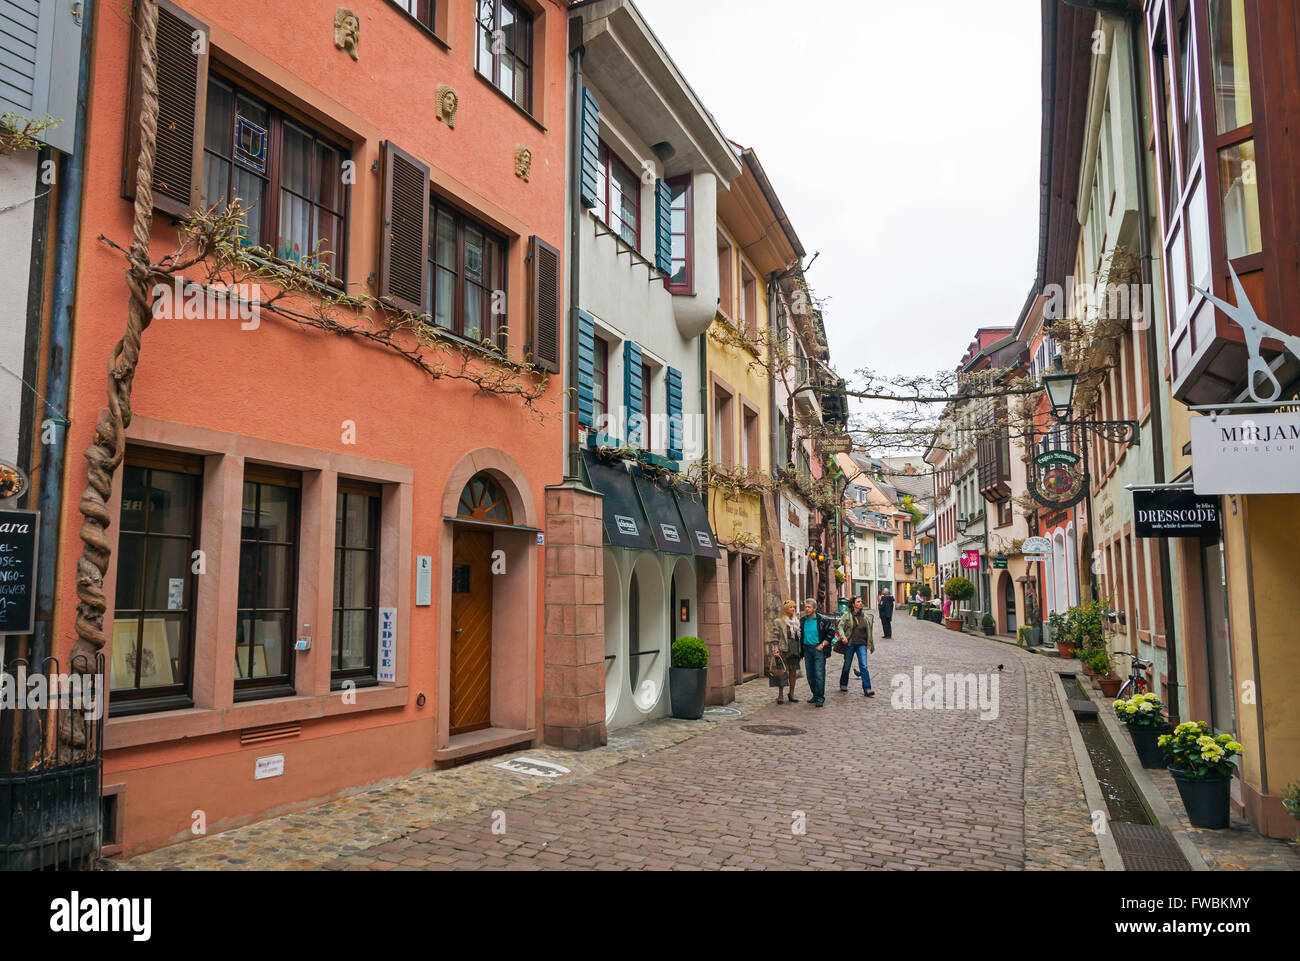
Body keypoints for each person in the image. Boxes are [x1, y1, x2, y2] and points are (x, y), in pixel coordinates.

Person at [799, 598, 836, 707]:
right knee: (810, 675)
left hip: (818, 650)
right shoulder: (803, 620)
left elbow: (831, 632)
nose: (806, 609)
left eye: (809, 607)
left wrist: (823, 644)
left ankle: (820, 698)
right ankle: (815, 695)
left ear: (814, 608)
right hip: (807, 649)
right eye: (805, 607)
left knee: (819, 674)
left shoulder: (822, 620)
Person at [836, 596, 875, 696]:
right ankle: (843, 683)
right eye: (858, 601)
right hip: (850, 644)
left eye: (861, 601)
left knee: (864, 666)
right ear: (853, 604)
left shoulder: (865, 616)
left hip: (861, 644)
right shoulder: (847, 615)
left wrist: (870, 644)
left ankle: (867, 688)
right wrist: (843, 636)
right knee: (847, 665)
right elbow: (840, 626)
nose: (861, 603)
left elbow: (869, 632)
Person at [769, 600, 803, 704]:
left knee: (793, 672)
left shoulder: (797, 621)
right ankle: (780, 694)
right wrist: (776, 649)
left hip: (795, 649)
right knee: (782, 672)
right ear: (785, 609)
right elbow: (775, 636)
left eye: (794, 607)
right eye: (791, 607)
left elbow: (800, 635)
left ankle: (791, 693)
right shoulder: (779, 621)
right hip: (784, 648)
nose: (793, 609)